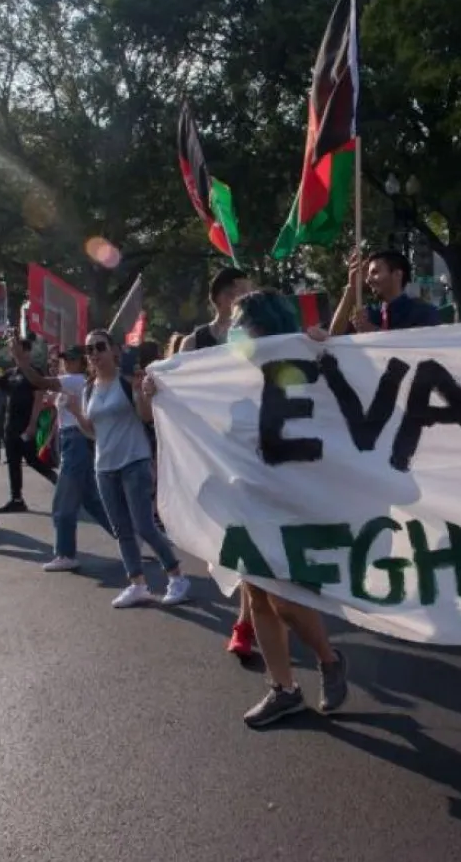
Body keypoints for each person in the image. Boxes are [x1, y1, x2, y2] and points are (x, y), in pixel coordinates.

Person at [144, 289, 348, 726]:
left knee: (286, 601)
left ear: (264, 327)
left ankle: (329, 660)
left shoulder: (303, 360)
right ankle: (283, 689)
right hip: (244, 501)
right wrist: (162, 390)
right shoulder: (225, 376)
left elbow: (346, 394)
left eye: (241, 323)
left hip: (292, 502)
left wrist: (328, 346)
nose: (232, 331)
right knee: (255, 594)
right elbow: (191, 414)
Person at [67, 328, 189, 606]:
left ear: (114, 350)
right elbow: (92, 432)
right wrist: (75, 412)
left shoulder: (126, 381)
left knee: (144, 526)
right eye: (89, 350)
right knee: (121, 529)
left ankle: (177, 577)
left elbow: (145, 417)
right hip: (104, 466)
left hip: (134, 461)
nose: (94, 354)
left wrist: (142, 394)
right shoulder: (88, 389)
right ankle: (137, 584)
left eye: (100, 347)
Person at [7, 338, 115, 572]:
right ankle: (127, 536)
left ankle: (66, 553)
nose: (66, 362)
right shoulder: (78, 381)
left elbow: (38, 381)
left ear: (81, 362)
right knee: (91, 500)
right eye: (64, 358)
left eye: (71, 359)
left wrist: (20, 359)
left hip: (75, 441)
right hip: (74, 439)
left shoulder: (73, 380)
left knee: (63, 502)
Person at [0, 340, 55, 513]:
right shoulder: (10, 373)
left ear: (27, 352)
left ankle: (59, 481)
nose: (14, 353)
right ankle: (16, 499)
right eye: (12, 350)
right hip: (11, 425)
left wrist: (32, 424)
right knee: (13, 462)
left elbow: (39, 398)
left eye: (18, 350)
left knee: (32, 459)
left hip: (26, 424)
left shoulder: (35, 372)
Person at [331, 248, 442, 335]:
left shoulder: (424, 312)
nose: (368, 280)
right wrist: (351, 288)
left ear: (397, 275)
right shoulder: (367, 314)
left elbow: (423, 347)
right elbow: (333, 337)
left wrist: (373, 331)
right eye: (368, 275)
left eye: (375, 272)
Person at [180, 267, 253, 352]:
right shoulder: (193, 343)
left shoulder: (256, 335)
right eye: (243, 291)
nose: (248, 298)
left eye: (249, 292)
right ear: (219, 296)